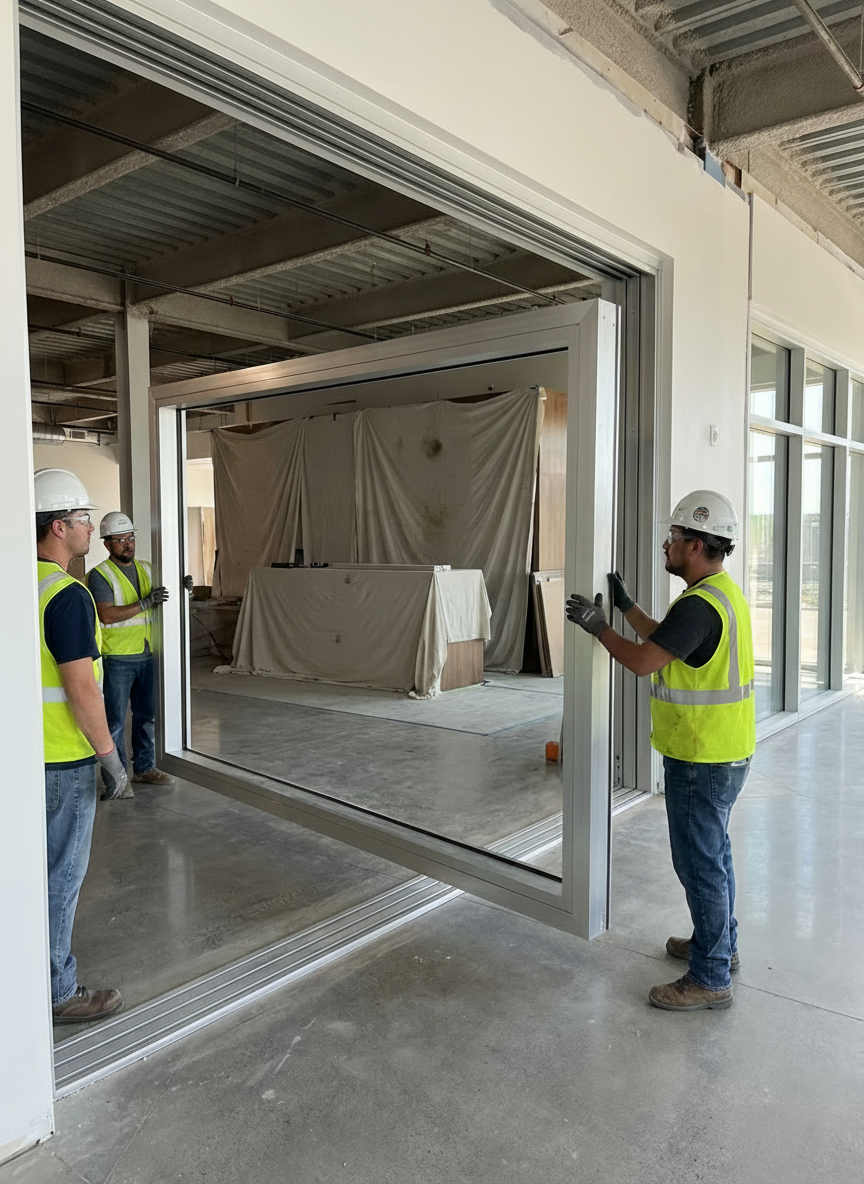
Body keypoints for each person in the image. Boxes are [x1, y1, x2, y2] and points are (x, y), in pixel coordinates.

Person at [566, 490, 755, 1012]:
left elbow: (645, 660)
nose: (665, 546)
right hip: (721, 751)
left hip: (702, 758)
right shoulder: (716, 594)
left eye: (672, 538)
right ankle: (719, 945)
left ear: (695, 544)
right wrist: (626, 607)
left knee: (699, 864)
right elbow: (668, 641)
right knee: (712, 858)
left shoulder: (700, 604)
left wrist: (597, 627)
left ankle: (711, 976)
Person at [35, 468, 127, 1024]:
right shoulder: (68, 595)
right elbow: (80, 686)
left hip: (23, 753)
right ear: (60, 525)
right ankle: (57, 991)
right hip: (62, 759)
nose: (92, 528)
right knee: (61, 875)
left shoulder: (16, 581)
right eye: (85, 518)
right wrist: (110, 757)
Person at [86, 511, 176, 797]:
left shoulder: (148, 569)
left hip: (148, 654)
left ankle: (145, 769)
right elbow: (107, 615)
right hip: (118, 658)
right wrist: (145, 602)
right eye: (120, 540)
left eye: (130, 538)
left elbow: (168, 594)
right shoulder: (100, 575)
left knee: (146, 715)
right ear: (107, 544)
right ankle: (118, 779)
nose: (128, 544)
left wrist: (182, 589)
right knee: (113, 721)